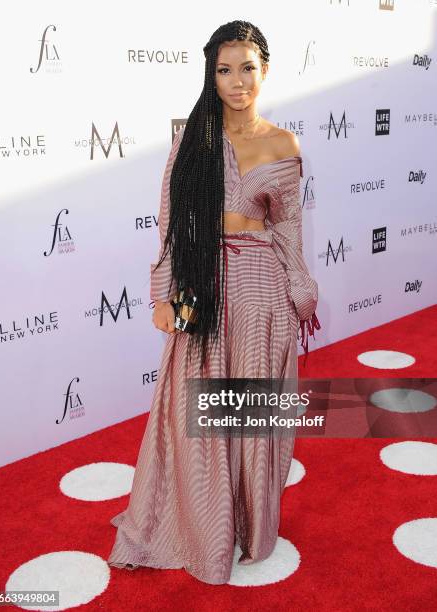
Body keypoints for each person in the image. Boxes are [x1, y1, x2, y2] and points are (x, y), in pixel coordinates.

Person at [107, 20, 320, 585]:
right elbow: (172, 225)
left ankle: (251, 527)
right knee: (194, 416)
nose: (236, 81)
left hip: (263, 297)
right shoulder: (193, 142)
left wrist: (300, 294)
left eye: (246, 67)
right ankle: (205, 528)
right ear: (211, 74)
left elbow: (288, 231)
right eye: (224, 69)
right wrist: (165, 293)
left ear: (265, 70)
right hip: (204, 290)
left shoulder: (283, 143)